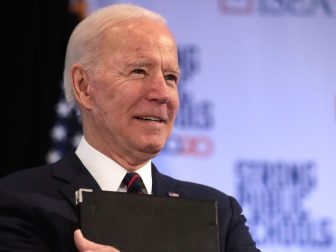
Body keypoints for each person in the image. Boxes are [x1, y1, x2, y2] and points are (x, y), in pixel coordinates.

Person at [0, 3, 260, 252]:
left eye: (170, 77)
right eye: (138, 71)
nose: (162, 94)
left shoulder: (220, 214)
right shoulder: (18, 202)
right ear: (83, 86)